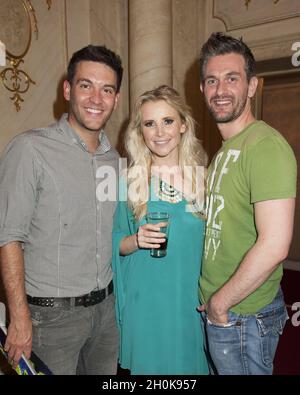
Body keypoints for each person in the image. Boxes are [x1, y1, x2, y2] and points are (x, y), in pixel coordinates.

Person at [0, 45, 123, 375]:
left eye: (106, 89)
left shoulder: (116, 161)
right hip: (50, 320)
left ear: (116, 98)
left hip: (107, 313)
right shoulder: (30, 149)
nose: (96, 99)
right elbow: (8, 236)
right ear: (67, 89)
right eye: (86, 85)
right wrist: (20, 316)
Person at [198, 32, 297, 375]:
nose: (220, 89)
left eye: (232, 78)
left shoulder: (265, 146)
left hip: (243, 316)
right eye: (212, 80)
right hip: (226, 313)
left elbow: (275, 244)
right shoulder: (225, 152)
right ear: (202, 90)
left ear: (252, 86)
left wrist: (220, 304)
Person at [112, 85, 209, 375]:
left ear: (183, 125)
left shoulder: (204, 180)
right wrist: (136, 239)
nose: (159, 132)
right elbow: (114, 244)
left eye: (167, 121)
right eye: (149, 124)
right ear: (140, 132)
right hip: (147, 308)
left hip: (190, 305)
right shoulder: (129, 182)